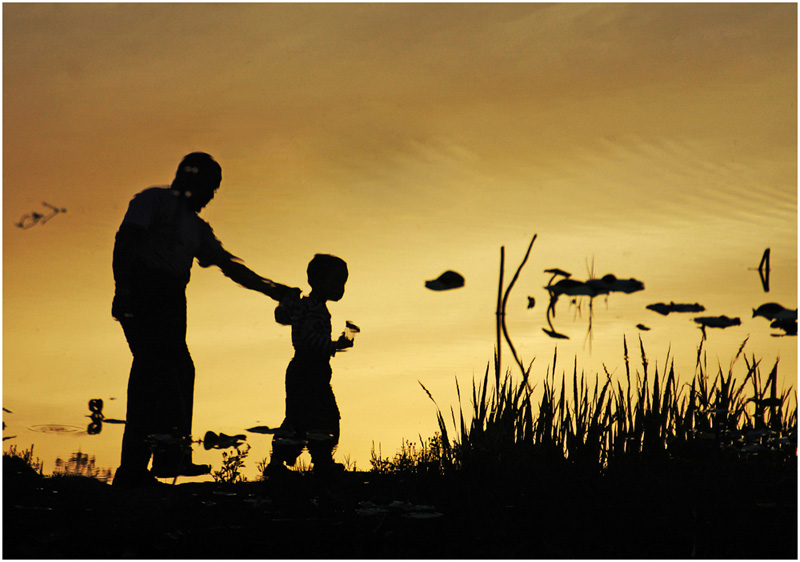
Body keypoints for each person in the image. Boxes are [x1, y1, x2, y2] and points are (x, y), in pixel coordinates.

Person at [111, 152, 298, 488]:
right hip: (144, 293)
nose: (212, 195)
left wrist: (273, 289)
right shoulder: (152, 200)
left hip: (171, 300)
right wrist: (123, 291)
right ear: (192, 180)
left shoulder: (196, 228)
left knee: (170, 373)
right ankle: (145, 466)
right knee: (157, 373)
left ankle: (159, 461)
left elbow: (229, 265)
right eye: (210, 187)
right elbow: (125, 242)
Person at [266, 254, 354, 475]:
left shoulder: (307, 306)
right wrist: (334, 345)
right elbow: (308, 339)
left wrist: (288, 300)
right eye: (337, 282)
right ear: (321, 281)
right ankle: (320, 461)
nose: (341, 288)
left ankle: (284, 462)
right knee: (323, 416)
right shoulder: (313, 308)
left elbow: (282, 315)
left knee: (300, 416)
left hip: (304, 370)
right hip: (309, 369)